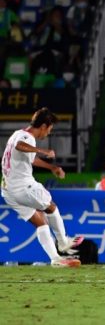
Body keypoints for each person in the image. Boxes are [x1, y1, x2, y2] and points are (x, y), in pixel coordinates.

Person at [1, 107, 83, 267]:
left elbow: (30, 158)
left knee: (41, 222)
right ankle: (63, 242)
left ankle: (55, 258)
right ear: (44, 126)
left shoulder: (17, 133)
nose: (48, 133)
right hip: (22, 186)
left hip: (8, 191)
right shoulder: (26, 138)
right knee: (51, 207)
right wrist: (42, 150)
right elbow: (20, 146)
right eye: (50, 129)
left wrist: (52, 167)